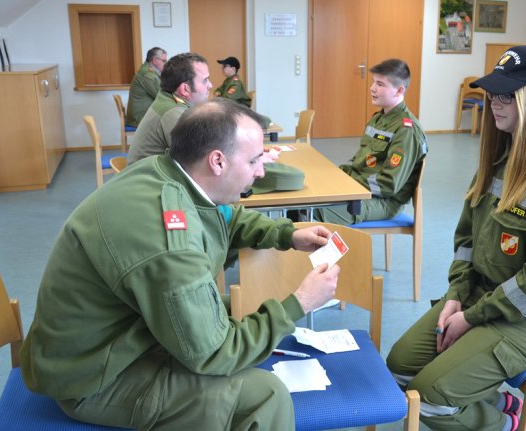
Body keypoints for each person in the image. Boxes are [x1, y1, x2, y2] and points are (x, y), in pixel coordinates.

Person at [20, 99, 340, 431]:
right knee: (266, 396)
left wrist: (287, 234)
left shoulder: (169, 173)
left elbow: (226, 218)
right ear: (217, 161)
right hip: (91, 378)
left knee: (242, 311)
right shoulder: (170, 244)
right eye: (254, 160)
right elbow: (215, 353)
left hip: (111, 338)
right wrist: (300, 303)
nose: (260, 171)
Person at [386, 46, 526, 431]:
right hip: (479, 293)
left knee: (429, 400)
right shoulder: (501, 159)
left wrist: (470, 317)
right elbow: (466, 240)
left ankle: (502, 422)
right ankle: (499, 401)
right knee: (398, 369)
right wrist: (455, 295)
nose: (495, 104)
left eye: (508, 95)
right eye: (493, 94)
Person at [314, 58, 428, 225]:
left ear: (399, 90)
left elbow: (388, 185)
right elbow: (359, 161)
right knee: (308, 197)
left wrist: (348, 184)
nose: (372, 88)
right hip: (361, 190)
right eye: (374, 82)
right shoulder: (378, 119)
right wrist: (337, 176)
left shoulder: (406, 130)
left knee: (314, 211)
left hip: (383, 201)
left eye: (380, 84)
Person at [127, 52, 212, 164]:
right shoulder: (174, 112)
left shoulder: (168, 99)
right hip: (148, 175)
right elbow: (199, 159)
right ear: (185, 89)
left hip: (149, 171)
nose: (210, 85)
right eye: (205, 80)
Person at [125, 47, 167, 127]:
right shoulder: (148, 74)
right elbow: (162, 96)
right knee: (174, 121)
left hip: (141, 116)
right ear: (155, 60)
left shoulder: (147, 71)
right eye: (164, 61)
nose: (166, 64)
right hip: (140, 119)